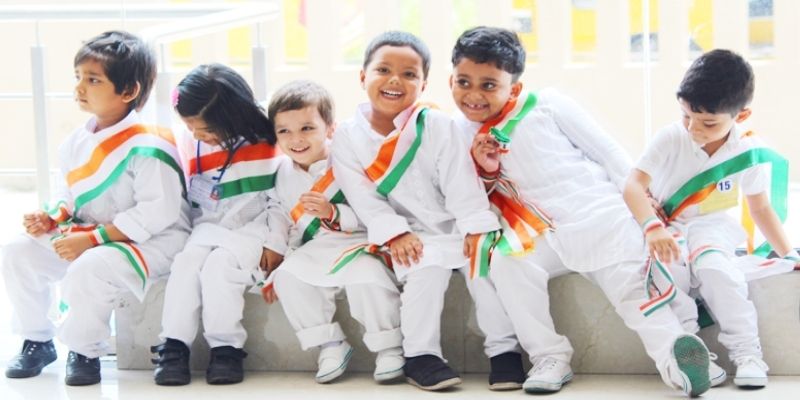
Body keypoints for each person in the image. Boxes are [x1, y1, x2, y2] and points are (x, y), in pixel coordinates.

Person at [450, 26, 712, 396]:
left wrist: (642, 203)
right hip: (542, 233)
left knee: (630, 290)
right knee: (508, 265)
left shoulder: (546, 104)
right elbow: (473, 195)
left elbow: (607, 151)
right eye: (463, 82)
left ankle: (677, 358)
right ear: (451, 79)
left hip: (600, 216)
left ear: (514, 85)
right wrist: (487, 170)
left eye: (489, 85)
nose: (474, 94)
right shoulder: (459, 133)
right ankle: (549, 357)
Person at [2, 30, 190, 386]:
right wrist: (52, 216)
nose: (79, 88)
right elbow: (68, 192)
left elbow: (158, 212)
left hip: (152, 240)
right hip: (93, 232)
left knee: (90, 266)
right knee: (18, 251)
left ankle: (85, 350)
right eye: (78, 77)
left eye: (93, 80)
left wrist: (91, 240)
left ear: (128, 91)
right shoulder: (77, 140)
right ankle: (37, 340)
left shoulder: (150, 143)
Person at [330, 31, 502, 391]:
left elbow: (459, 180)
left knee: (485, 266)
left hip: (454, 224)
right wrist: (395, 232)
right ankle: (421, 356)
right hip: (407, 232)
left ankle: (504, 353)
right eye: (383, 70)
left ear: (423, 85)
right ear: (362, 77)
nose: (395, 80)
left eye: (409, 74)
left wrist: (474, 226)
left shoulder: (436, 124)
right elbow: (362, 196)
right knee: (426, 266)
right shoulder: (347, 136)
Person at [623, 49, 798, 389]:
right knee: (666, 271)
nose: (693, 128)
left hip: (712, 228)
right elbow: (633, 185)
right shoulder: (671, 136)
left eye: (708, 123)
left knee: (717, 271)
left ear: (741, 115)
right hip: (666, 226)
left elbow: (760, 208)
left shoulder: (747, 151)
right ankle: (693, 353)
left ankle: (748, 354)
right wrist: (652, 227)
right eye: (686, 115)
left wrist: (788, 253)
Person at [259, 80, 404, 384]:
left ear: (330, 128)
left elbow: (375, 208)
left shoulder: (348, 160)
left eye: (307, 128)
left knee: (367, 277)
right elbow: (280, 212)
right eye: (284, 131)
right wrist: (277, 247)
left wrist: (333, 213)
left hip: (359, 241)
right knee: (287, 277)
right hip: (317, 247)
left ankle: (389, 347)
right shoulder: (281, 173)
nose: (296, 139)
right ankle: (329, 344)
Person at [151, 63, 280, 386]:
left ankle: (226, 348)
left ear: (233, 116)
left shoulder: (270, 142)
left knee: (219, 267)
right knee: (186, 264)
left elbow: (281, 201)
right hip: (206, 229)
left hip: (252, 230)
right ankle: (174, 345)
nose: (197, 135)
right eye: (190, 126)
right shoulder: (190, 140)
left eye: (206, 129)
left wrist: (276, 242)